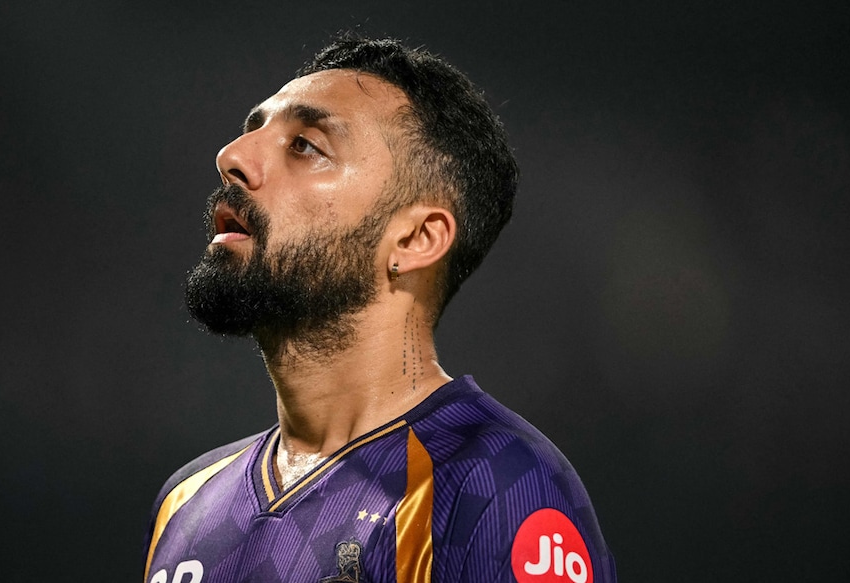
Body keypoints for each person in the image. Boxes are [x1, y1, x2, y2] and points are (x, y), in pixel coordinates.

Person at [143, 36, 616, 583]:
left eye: (305, 146)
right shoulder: (187, 502)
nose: (233, 157)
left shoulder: (495, 486)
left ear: (415, 239)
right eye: (254, 130)